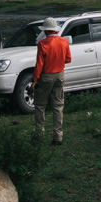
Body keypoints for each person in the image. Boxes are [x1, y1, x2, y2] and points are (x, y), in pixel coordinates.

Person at [32, 17, 71, 145]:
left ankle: (39, 134)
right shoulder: (64, 42)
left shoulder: (42, 44)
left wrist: (34, 80)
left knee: (40, 106)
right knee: (58, 106)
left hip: (46, 77)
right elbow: (68, 59)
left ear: (46, 30)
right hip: (60, 75)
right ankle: (58, 136)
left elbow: (39, 65)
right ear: (55, 30)